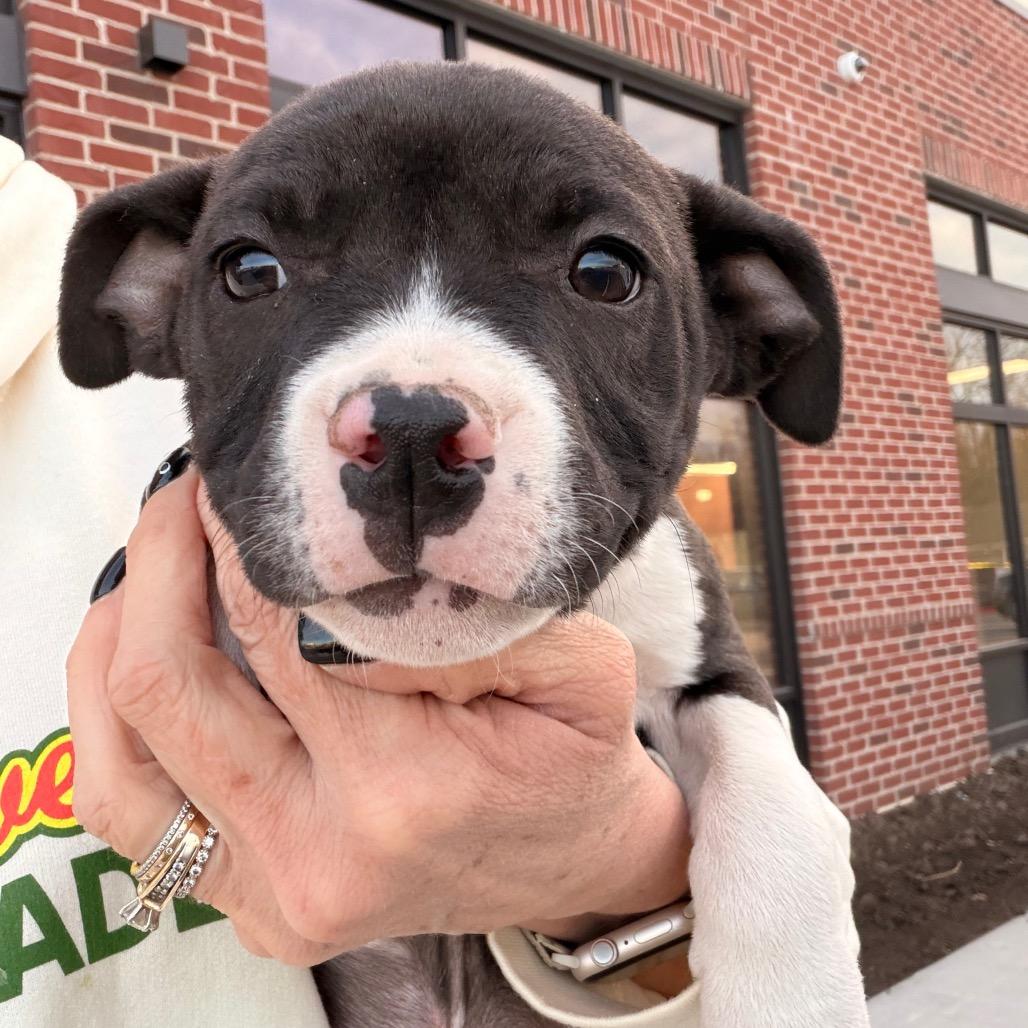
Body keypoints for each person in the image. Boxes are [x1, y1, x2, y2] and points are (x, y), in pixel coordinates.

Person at [0, 136, 700, 1026]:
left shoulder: (175, 391)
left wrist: (631, 882)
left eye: (602, 275)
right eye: (253, 274)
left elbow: (703, 754)